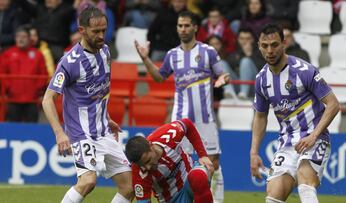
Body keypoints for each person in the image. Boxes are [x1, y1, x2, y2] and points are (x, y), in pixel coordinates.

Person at [135, 10, 229, 203]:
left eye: (187, 25)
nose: (183, 29)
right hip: (181, 118)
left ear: (195, 27)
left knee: (213, 163)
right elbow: (159, 78)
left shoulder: (208, 52)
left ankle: (217, 199)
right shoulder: (172, 55)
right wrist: (145, 59)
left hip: (205, 118)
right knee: (184, 164)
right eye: (180, 25)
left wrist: (222, 79)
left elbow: (223, 74)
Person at [42, 7, 133, 203]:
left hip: (104, 132)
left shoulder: (106, 52)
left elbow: (99, 92)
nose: (102, 36)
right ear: (82, 30)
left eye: (104, 30)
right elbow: (47, 99)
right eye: (96, 32)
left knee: (129, 187)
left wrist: (107, 118)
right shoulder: (69, 62)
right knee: (88, 181)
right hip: (81, 133)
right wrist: (59, 133)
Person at [250, 23, 340, 203]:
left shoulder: (304, 70)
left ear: (284, 43)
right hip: (287, 142)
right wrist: (254, 152)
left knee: (306, 186)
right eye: (265, 46)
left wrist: (314, 135)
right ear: (259, 46)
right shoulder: (261, 80)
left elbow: (333, 104)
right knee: (273, 196)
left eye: (274, 45)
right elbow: (260, 116)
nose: (270, 50)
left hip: (315, 138)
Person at [125, 118, 214, 203]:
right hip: (172, 198)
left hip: (190, 173)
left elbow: (187, 124)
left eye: (148, 160)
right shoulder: (139, 175)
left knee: (198, 177)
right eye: (142, 165)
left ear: (150, 146)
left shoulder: (167, 135)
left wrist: (203, 155)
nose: (147, 167)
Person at [0, 25, 48, 122]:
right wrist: (9, 88)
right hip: (13, 99)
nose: (20, 39)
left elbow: (43, 75)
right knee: (13, 128)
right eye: (18, 36)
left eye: (23, 36)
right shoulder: (7, 54)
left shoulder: (38, 54)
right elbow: (2, 73)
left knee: (32, 128)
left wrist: (36, 90)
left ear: (30, 38)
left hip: (32, 99)